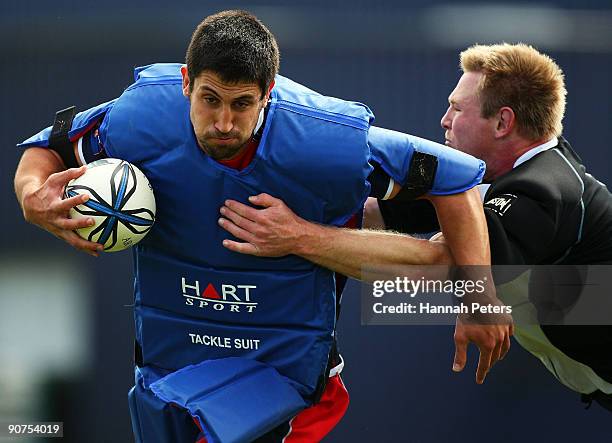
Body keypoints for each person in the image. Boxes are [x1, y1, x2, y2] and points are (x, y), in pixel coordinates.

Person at [14, 11, 506, 442]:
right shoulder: (140, 120)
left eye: (241, 104)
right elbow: (48, 147)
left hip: (279, 384)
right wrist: (33, 198)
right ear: (186, 81)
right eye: (209, 99)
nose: (224, 122)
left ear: (267, 95)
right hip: (171, 373)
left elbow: (456, 181)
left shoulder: (326, 146)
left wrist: (479, 298)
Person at [219, 43, 612, 411]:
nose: (444, 120)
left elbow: (438, 266)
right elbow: (371, 212)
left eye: (457, 109)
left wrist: (297, 236)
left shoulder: (547, 191)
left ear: (503, 122)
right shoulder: (496, 175)